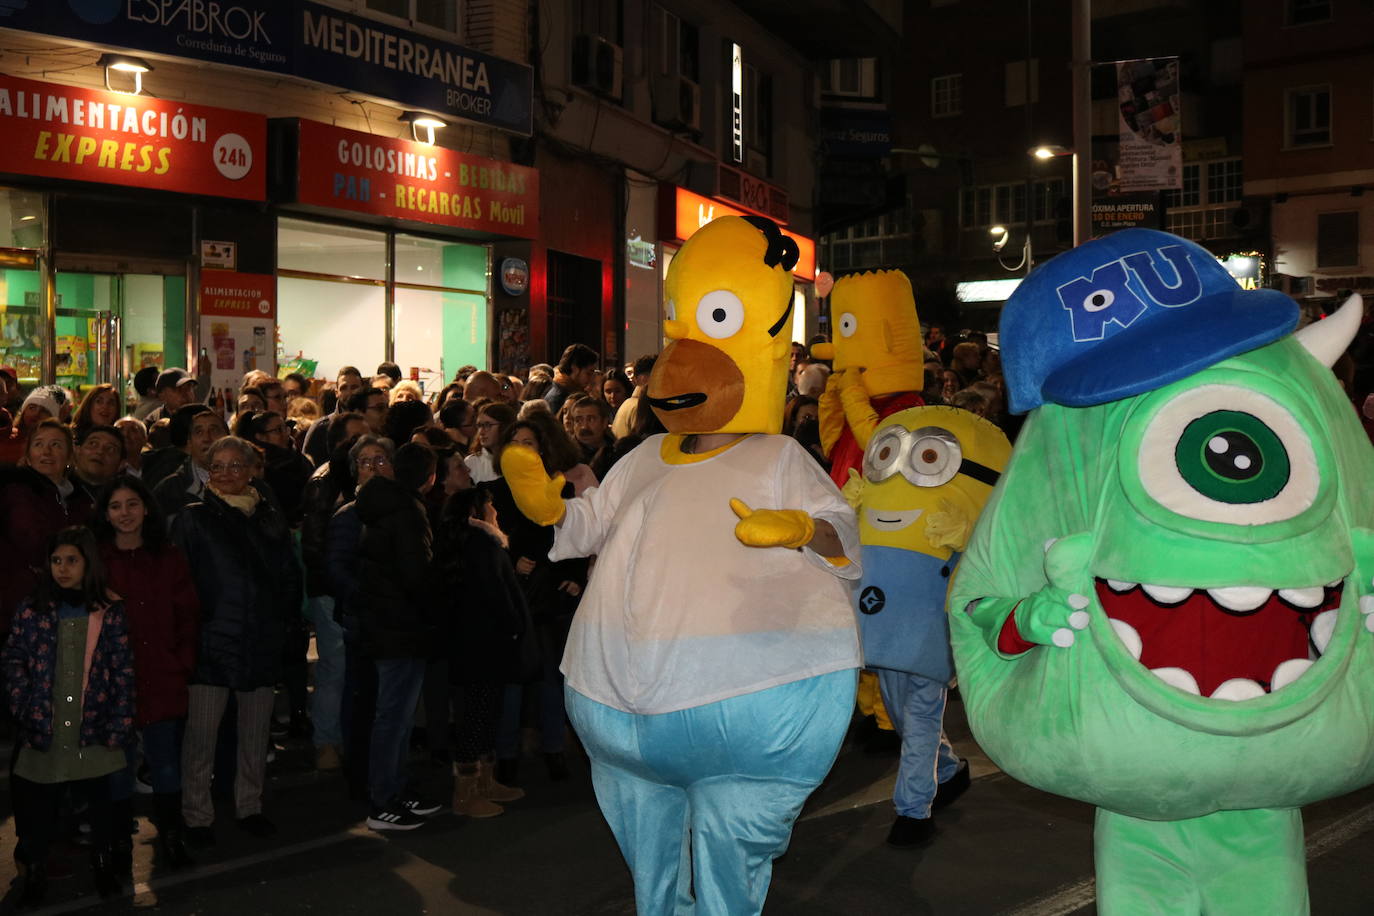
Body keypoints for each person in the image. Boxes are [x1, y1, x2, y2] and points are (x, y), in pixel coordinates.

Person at [172, 437, 302, 845]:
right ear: (208, 472)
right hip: (212, 641)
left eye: (236, 466)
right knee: (201, 737)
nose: (227, 474)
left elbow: (288, 575)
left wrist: (283, 624)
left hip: (260, 638)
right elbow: (180, 584)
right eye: (219, 466)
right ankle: (196, 815)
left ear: (251, 471)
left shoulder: (268, 516)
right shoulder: (193, 519)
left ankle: (250, 806)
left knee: (254, 734)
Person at [4, 526, 136, 905]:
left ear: (88, 564)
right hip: (43, 728)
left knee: (100, 806)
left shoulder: (108, 610)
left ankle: (103, 863)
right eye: (56, 561)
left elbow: (122, 670)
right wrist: (24, 703)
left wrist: (118, 722)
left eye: (72, 561)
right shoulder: (33, 609)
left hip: (91, 728)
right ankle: (35, 869)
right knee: (37, 808)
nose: (62, 568)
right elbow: (14, 658)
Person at [95, 475, 200, 870]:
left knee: (165, 762)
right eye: (116, 506)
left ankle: (171, 836)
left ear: (146, 509)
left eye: (132, 504)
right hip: (114, 680)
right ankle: (121, 842)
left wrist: (182, 661)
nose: (125, 513)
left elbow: (187, 614)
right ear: (105, 513)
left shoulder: (167, 555)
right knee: (118, 765)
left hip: (162, 670)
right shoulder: (98, 561)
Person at [356, 442, 443, 831]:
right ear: (429, 477)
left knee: (399, 716)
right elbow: (417, 576)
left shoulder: (382, 506)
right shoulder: (406, 512)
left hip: (387, 623)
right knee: (394, 716)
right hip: (402, 627)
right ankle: (383, 800)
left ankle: (395, 787)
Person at [433, 486, 531, 817]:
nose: (496, 512)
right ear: (477, 512)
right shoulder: (481, 544)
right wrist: (514, 625)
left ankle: (486, 782)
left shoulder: (467, 542)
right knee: (477, 716)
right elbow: (496, 592)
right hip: (484, 643)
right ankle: (466, 793)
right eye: (490, 506)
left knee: (485, 713)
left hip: (475, 643)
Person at [0, 419, 94, 639]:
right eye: (39, 444)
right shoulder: (14, 491)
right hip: (19, 604)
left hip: (69, 605)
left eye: (56, 445)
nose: (47, 451)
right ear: (28, 454)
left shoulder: (81, 498)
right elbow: (30, 542)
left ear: (70, 455)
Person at [151, 405, 229, 520]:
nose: (207, 438)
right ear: (189, 442)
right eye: (199, 432)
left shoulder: (249, 483)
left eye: (214, 430)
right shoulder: (170, 490)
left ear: (228, 438)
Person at [302, 367, 365, 466]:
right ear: (336, 392)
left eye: (354, 387)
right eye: (344, 388)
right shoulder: (321, 428)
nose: (349, 393)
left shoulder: (371, 422)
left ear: (362, 389)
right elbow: (308, 466)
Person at [71, 424, 127, 501]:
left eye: (110, 449)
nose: (100, 451)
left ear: (121, 464)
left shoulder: (124, 498)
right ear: (77, 451)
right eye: (93, 443)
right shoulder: (58, 488)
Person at [465, 401, 516, 484]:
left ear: (505, 426)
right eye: (479, 425)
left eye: (487, 425)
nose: (481, 432)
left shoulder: (519, 459)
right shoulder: (471, 463)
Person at [543, 344, 599, 414]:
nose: (591, 378)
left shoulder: (566, 389)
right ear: (575, 368)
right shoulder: (559, 397)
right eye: (588, 373)